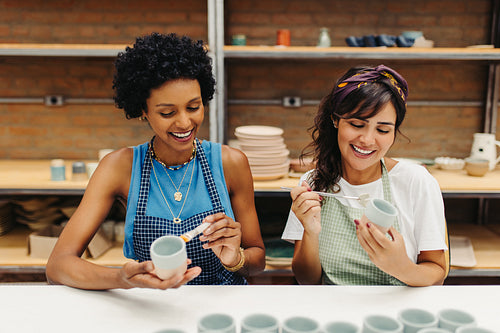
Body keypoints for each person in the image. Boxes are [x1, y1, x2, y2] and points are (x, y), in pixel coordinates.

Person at [46, 32, 265, 289]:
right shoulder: (120, 167)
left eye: (193, 107)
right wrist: (121, 278)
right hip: (153, 307)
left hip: (221, 310)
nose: (184, 123)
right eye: (167, 112)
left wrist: (236, 258)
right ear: (143, 110)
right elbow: (58, 266)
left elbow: (258, 259)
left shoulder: (230, 163)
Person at [282, 65, 448, 286]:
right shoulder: (313, 184)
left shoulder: (416, 181)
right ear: (335, 120)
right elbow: (307, 280)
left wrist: (400, 267)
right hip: (333, 310)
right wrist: (310, 232)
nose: (368, 140)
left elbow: (437, 272)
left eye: (383, 130)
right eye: (357, 124)